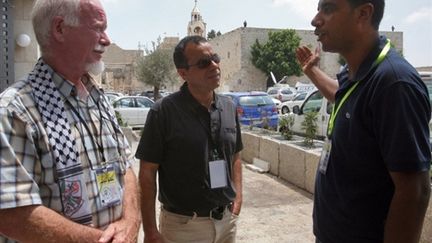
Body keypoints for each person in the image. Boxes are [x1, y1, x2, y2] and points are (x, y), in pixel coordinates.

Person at [0, 0, 140, 242]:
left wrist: (130, 222)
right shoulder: (15, 111)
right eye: (98, 28)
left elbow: (125, 166)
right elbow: (11, 213)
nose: (106, 39)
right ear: (60, 29)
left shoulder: (98, 98)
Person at [296, 0, 431, 242]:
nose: (315, 20)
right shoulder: (355, 72)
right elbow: (342, 97)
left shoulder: (394, 83)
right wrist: (312, 71)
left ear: (363, 14)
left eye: (327, 9)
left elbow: (415, 191)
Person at [136, 35, 243, 243]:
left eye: (215, 58)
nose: (214, 65)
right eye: (204, 63)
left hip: (226, 223)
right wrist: (150, 230)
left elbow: (236, 155)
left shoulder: (229, 107)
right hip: (183, 227)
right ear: (183, 73)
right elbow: (147, 173)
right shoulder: (163, 112)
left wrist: (238, 198)